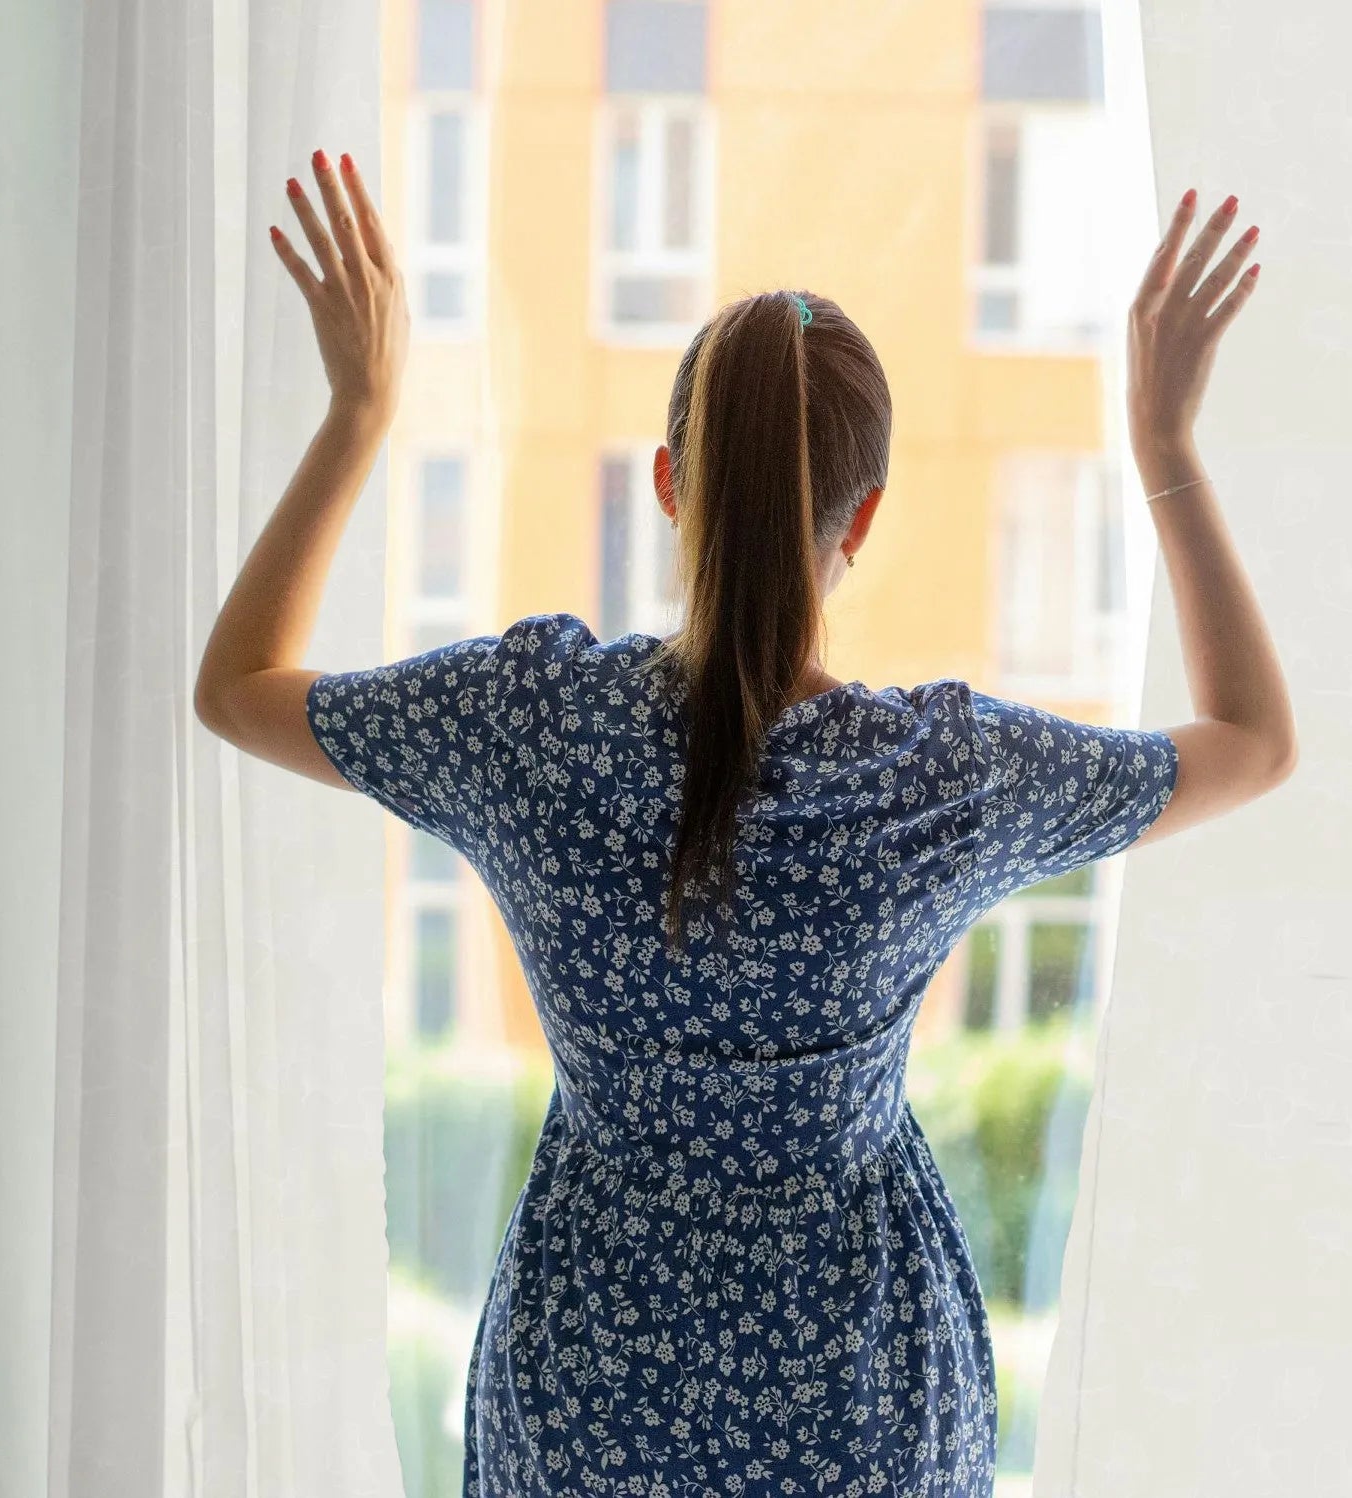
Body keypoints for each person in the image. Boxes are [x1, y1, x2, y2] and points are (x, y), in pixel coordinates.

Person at [194, 154, 1298, 1497]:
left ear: (669, 481)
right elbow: (1252, 740)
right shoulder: (932, 779)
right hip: (862, 1411)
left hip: (587, 1398)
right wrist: (1167, 446)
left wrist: (359, 412)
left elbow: (238, 687)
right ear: (866, 518)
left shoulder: (532, 724)